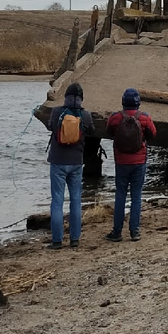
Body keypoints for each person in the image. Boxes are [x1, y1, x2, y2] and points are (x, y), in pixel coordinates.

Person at [43, 82, 94, 249]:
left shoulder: (57, 111)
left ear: (66, 97)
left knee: (57, 201)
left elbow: (50, 126)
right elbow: (92, 130)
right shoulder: (85, 114)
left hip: (58, 162)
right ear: (81, 98)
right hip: (76, 163)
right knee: (76, 200)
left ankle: (57, 241)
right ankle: (74, 239)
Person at [105, 87, 156, 242]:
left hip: (121, 162)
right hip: (139, 162)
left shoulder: (115, 118)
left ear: (123, 102)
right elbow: (153, 134)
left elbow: (108, 132)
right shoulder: (145, 118)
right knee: (136, 196)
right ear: (138, 103)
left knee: (120, 195)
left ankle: (117, 231)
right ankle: (135, 231)